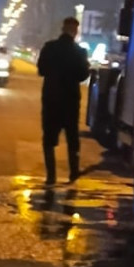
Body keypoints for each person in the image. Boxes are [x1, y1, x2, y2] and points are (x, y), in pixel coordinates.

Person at [36, 17, 91, 185]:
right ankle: (73, 173)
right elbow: (83, 75)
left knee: (49, 139)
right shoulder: (80, 52)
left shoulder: (49, 47)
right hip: (70, 101)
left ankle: (51, 176)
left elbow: (41, 70)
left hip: (51, 99)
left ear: (62, 28)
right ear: (75, 31)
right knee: (72, 138)